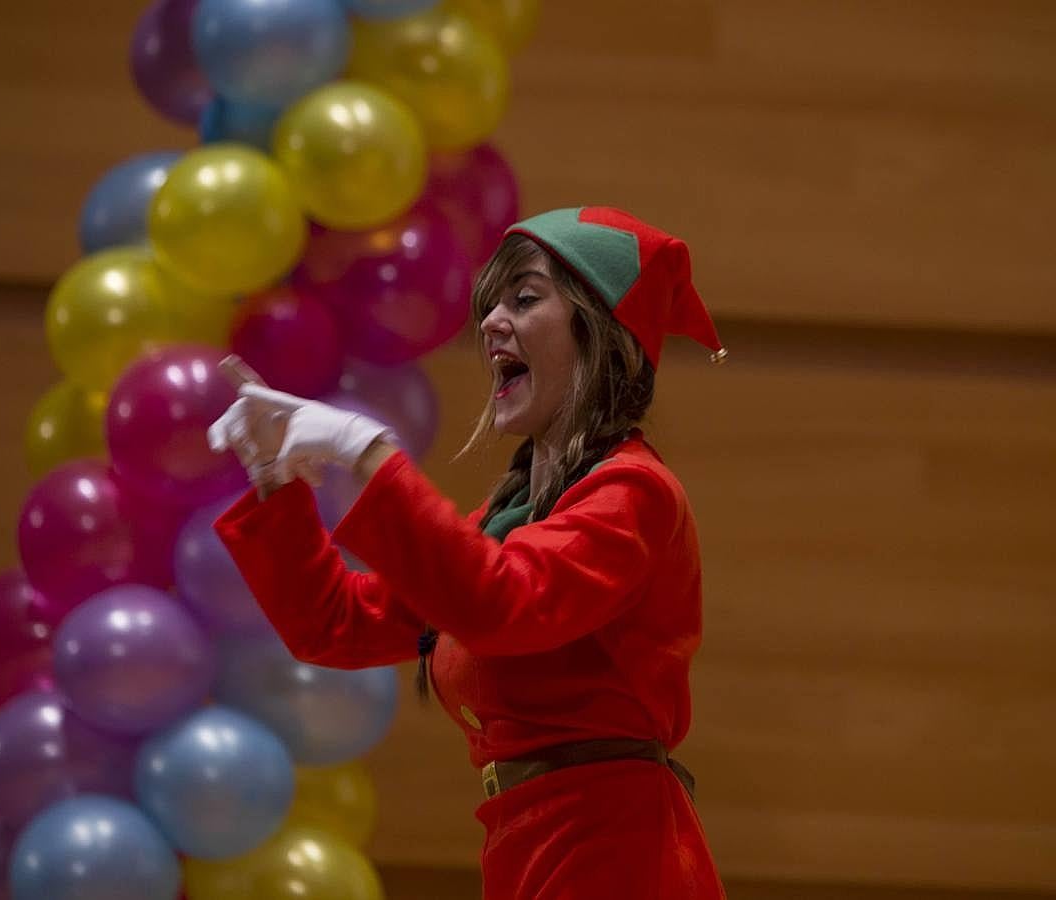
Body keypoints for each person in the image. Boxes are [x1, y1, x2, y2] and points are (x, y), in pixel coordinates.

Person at [207, 206, 727, 899]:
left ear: (602, 333)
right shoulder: (510, 519)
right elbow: (336, 623)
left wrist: (366, 449)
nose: (488, 322)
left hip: (616, 853)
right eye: (490, 304)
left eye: (524, 298)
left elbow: (496, 602)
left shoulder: (635, 491)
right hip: (534, 844)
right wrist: (275, 482)